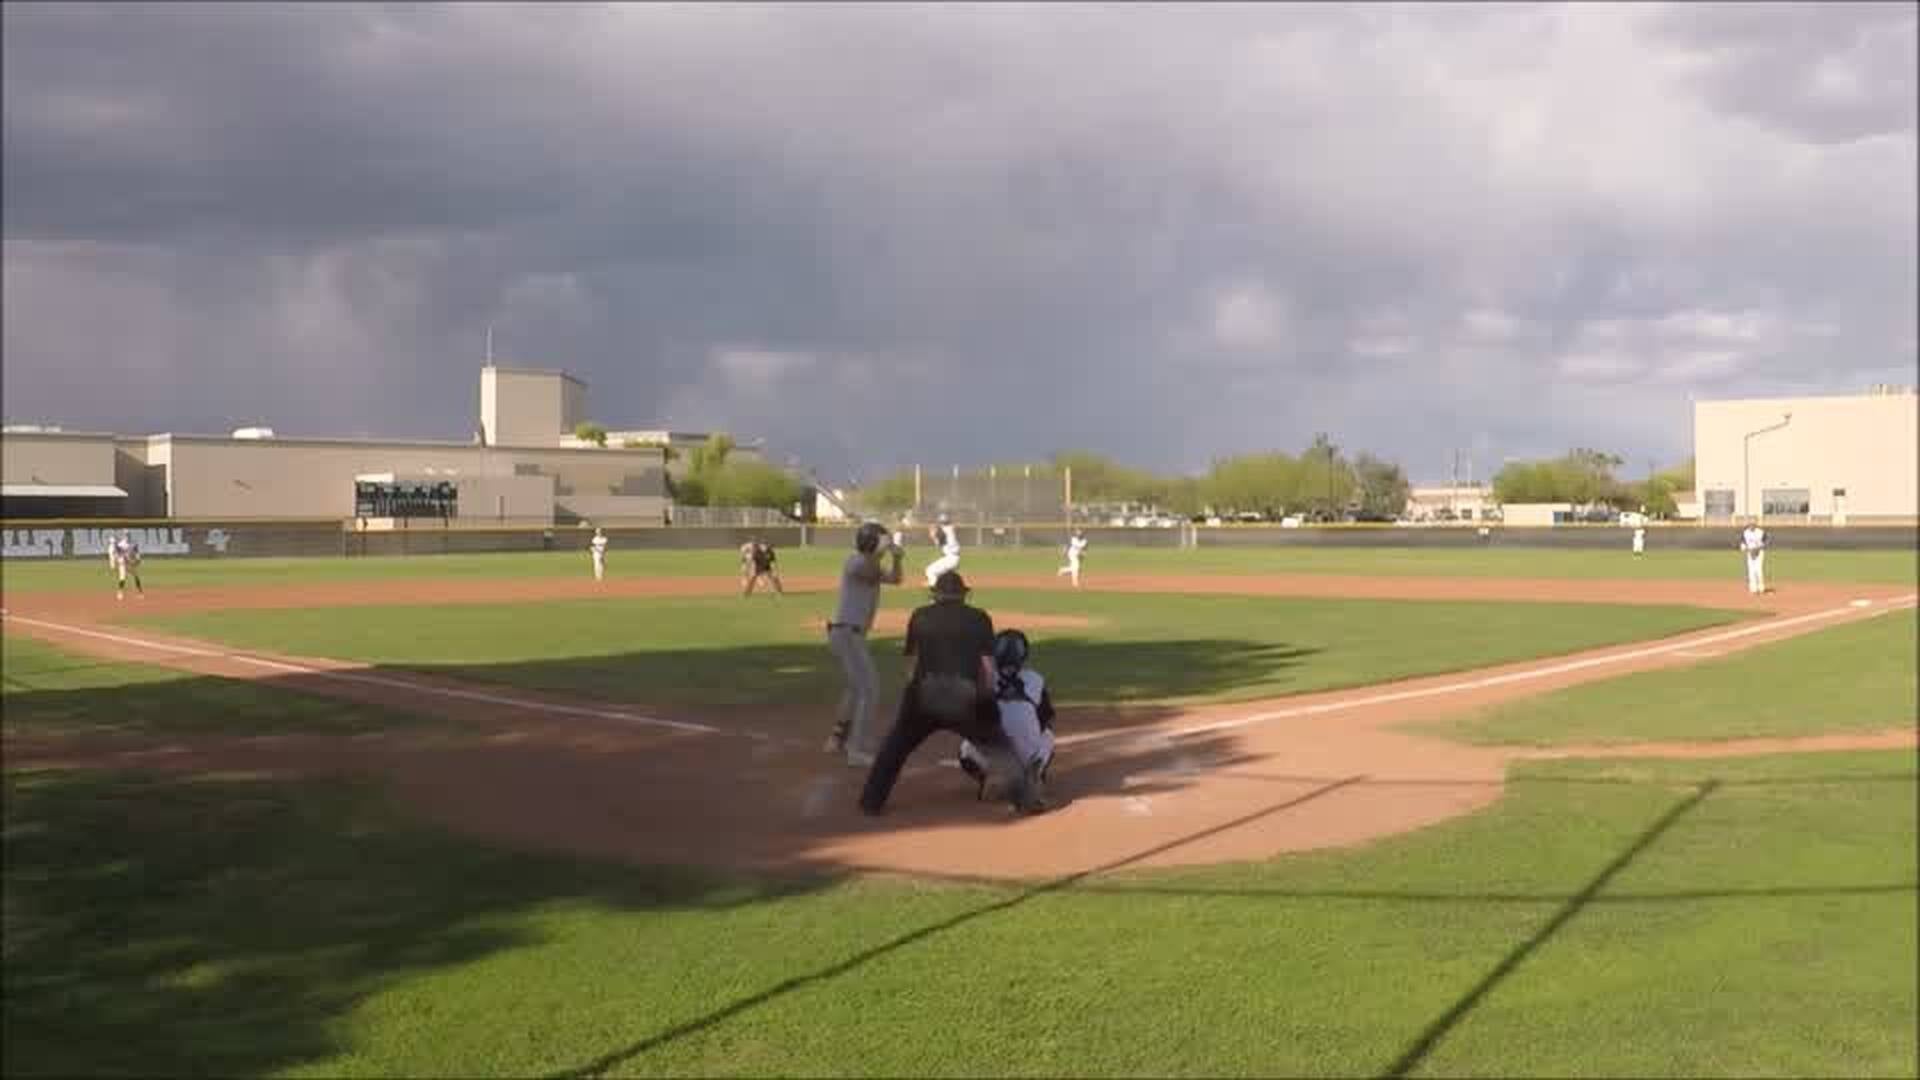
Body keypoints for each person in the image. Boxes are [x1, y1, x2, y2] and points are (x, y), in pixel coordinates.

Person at [858, 571, 1045, 815]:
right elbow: (988, 666)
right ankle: (1026, 801)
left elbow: (911, 665)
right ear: (963, 595)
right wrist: (987, 702)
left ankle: (871, 802)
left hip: (924, 694)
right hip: (965, 696)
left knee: (894, 748)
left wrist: (911, 696)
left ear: (935, 594)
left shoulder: (920, 616)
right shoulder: (979, 618)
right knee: (998, 747)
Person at [825, 523, 905, 765]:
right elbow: (869, 570)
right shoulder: (856, 562)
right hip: (847, 633)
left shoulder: (869, 563)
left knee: (855, 687)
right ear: (871, 543)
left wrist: (897, 558)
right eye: (881, 540)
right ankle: (856, 750)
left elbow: (895, 579)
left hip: (850, 633)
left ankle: (838, 738)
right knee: (869, 690)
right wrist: (882, 551)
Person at [958, 629, 1056, 805]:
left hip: (994, 755)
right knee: (1048, 734)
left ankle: (992, 774)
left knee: (965, 746)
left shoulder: (981, 678)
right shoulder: (1035, 679)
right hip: (1027, 756)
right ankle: (1035, 770)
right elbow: (1046, 720)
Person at [924, 512, 961, 588]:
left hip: (950, 559)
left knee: (929, 571)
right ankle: (945, 586)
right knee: (943, 575)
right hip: (955, 558)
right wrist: (934, 533)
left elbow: (938, 541)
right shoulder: (950, 528)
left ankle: (933, 585)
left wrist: (932, 534)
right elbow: (942, 539)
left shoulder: (943, 530)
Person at [108, 531, 144, 600]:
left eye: (128, 534)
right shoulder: (121, 543)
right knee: (122, 578)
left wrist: (138, 558)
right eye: (125, 534)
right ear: (123, 535)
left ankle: (140, 592)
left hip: (130, 563)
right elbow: (117, 551)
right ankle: (120, 592)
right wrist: (115, 546)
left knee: (136, 576)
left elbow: (136, 551)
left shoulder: (133, 543)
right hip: (123, 563)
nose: (127, 535)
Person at [1740, 521, 1769, 594]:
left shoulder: (1760, 532)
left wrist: (1758, 549)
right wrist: (1746, 549)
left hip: (1759, 553)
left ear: (1755, 525)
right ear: (1748, 525)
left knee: (1759, 570)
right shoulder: (1745, 533)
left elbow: (1766, 542)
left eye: (1753, 525)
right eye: (1750, 525)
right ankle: (1753, 589)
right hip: (1750, 553)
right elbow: (1743, 543)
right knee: (1751, 571)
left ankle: (1761, 588)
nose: (1751, 526)